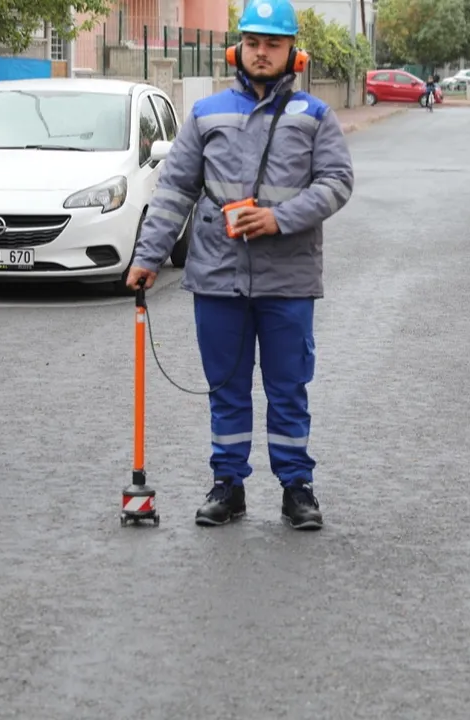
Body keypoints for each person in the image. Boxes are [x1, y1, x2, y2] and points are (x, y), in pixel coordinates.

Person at [124, 0, 354, 530]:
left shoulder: (315, 116)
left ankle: (296, 487)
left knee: (287, 388)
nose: (262, 52)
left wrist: (278, 218)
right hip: (217, 277)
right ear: (238, 49)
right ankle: (228, 485)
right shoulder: (206, 113)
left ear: (293, 52)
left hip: (289, 279)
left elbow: (337, 183)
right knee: (225, 389)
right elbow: (174, 190)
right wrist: (148, 256)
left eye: (273, 43)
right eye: (253, 43)